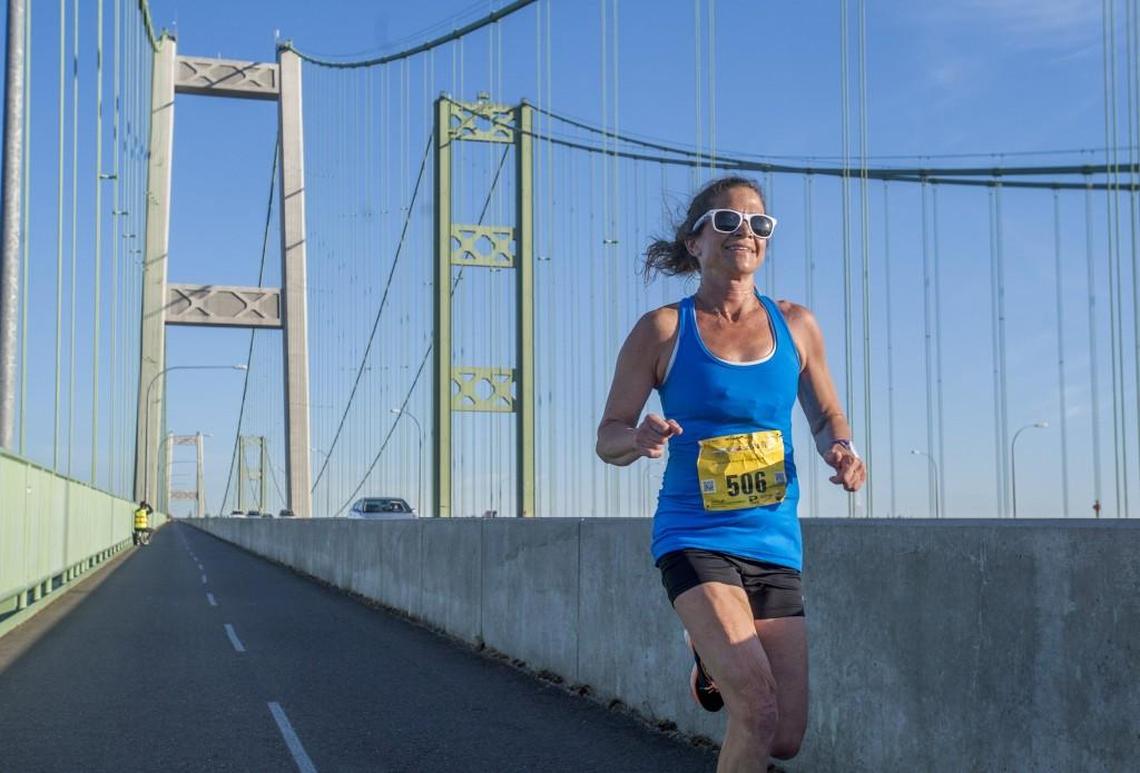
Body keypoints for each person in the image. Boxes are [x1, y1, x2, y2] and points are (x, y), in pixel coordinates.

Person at [596, 176, 865, 771]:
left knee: (785, 736)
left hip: (774, 540)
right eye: (726, 221)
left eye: (758, 223)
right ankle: (714, 647)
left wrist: (841, 449)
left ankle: (707, 657)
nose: (744, 231)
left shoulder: (796, 325)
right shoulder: (663, 329)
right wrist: (637, 439)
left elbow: (826, 416)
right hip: (694, 535)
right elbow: (607, 435)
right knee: (757, 710)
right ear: (694, 243)